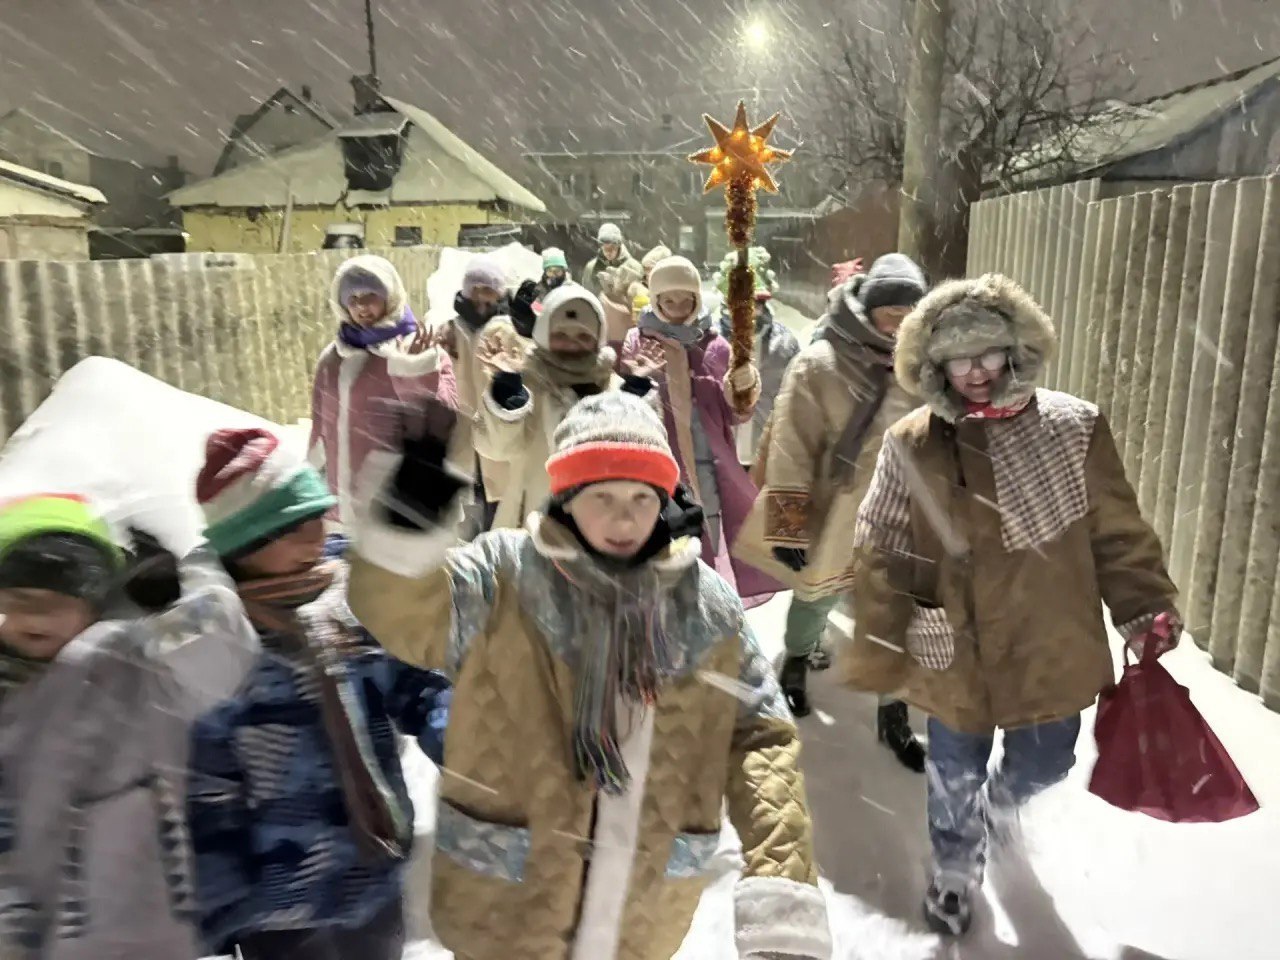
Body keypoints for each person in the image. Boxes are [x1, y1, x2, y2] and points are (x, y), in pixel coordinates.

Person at [346, 391, 832, 960]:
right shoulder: (503, 576)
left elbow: (762, 735)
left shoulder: (706, 608)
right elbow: (402, 610)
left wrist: (781, 878)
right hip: (507, 908)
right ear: (567, 496)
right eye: (602, 495)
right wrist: (411, 509)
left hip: (643, 912)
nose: (625, 517)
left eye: (642, 496)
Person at [848, 273, 1181, 936]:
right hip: (955, 643)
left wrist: (1144, 604)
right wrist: (892, 625)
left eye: (988, 353)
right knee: (952, 769)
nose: (976, 371)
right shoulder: (912, 442)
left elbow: (1116, 531)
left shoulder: (1073, 427)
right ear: (934, 366)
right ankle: (954, 867)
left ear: (1015, 350)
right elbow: (878, 537)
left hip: (1049, 635)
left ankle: (1001, 807)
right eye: (958, 359)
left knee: (1046, 761)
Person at [185, 428, 452, 960]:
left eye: (318, 518)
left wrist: (460, 735)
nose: (317, 537)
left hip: (373, 877)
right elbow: (207, 786)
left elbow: (415, 684)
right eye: (296, 528)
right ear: (247, 544)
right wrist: (221, 902)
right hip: (278, 905)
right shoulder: (216, 643)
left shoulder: (352, 603)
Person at [0, 493, 259, 960]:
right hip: (33, 929)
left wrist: (182, 585)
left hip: (145, 918)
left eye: (57, 601)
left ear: (94, 604)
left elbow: (223, 651)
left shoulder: (129, 659)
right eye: (20, 600)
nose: (37, 616)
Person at [735, 255, 929, 774]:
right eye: (890, 312)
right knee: (815, 596)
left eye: (909, 314)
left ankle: (893, 710)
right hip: (835, 507)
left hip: (902, 514)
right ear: (869, 309)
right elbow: (792, 448)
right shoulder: (821, 364)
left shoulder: (928, 367)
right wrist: (787, 525)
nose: (899, 324)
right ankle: (797, 661)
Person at [620, 255, 780, 607]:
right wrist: (641, 382)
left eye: (686, 300)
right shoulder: (639, 341)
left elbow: (734, 415)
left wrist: (741, 390)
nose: (678, 309)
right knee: (665, 539)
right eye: (669, 300)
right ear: (656, 299)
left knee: (715, 533)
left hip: (711, 461)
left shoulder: (716, 346)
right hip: (660, 460)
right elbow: (624, 405)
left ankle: (713, 601)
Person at [310, 254, 457, 529]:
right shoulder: (333, 358)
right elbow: (320, 429)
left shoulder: (420, 349)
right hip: (337, 509)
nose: (361, 306)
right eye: (352, 298)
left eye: (370, 295)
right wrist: (312, 490)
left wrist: (416, 368)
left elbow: (442, 423)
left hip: (396, 508)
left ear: (390, 295)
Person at [475, 284, 634, 530]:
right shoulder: (528, 382)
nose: (571, 344)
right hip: (531, 521)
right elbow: (495, 447)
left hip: (601, 523)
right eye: (561, 335)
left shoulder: (614, 388)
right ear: (544, 335)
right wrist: (507, 392)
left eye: (583, 336)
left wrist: (640, 391)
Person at [436, 253, 512, 534]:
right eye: (475, 289)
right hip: (462, 423)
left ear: (499, 292)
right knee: (466, 495)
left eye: (488, 290)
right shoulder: (451, 329)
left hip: (497, 422)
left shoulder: (508, 329)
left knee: (499, 496)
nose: (481, 296)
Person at [712, 247, 798, 470]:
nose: (747, 311)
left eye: (754, 303)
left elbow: (794, 402)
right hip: (719, 457)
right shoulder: (710, 342)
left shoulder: (783, 345)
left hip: (765, 456)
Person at [580, 222, 639, 298]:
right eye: (605, 248)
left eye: (612, 248)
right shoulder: (591, 267)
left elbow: (639, 297)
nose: (608, 252)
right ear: (600, 246)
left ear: (618, 246)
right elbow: (587, 294)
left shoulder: (634, 268)